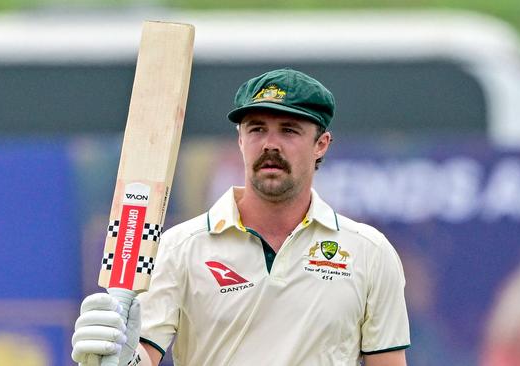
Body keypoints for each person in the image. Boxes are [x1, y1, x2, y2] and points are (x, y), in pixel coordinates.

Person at [71, 68, 410, 366]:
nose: (270, 144)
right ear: (240, 138)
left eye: (289, 130)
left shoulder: (369, 252)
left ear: (321, 144)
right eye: (257, 129)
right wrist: (120, 357)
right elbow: (144, 355)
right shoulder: (180, 248)